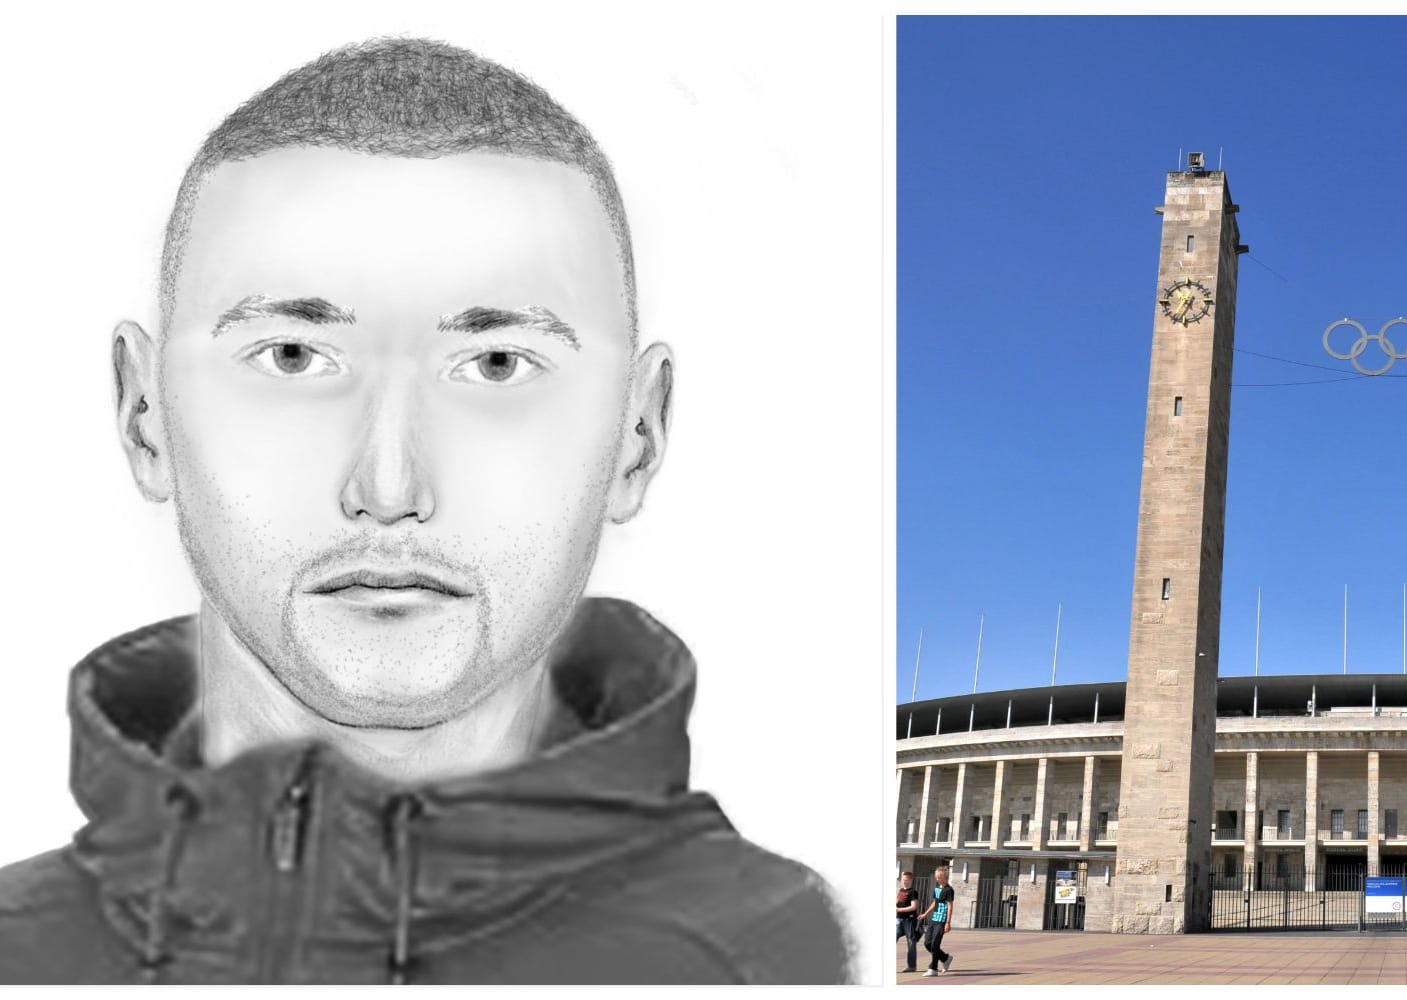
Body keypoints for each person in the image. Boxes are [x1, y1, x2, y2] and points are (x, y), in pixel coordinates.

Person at [0, 38, 851, 985]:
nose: (390, 486)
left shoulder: (784, 958)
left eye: (495, 366)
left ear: (636, 436)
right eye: (292, 357)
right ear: (144, 416)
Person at [920, 865, 957, 977]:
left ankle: (933, 969)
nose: (937, 879)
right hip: (933, 919)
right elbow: (934, 903)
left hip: (941, 920)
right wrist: (925, 914)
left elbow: (950, 906)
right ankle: (945, 958)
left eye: (939, 877)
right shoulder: (937, 889)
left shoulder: (949, 890)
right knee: (927, 944)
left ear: (944, 877)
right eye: (936, 877)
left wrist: (948, 922)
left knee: (935, 944)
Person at [895, 872, 923, 973]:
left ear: (911, 880)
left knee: (911, 942)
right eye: (903, 879)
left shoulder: (913, 892)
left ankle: (911, 966)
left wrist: (898, 910)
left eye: (906, 880)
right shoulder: (900, 890)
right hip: (898, 920)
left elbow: (914, 907)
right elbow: (897, 902)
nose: (904, 881)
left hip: (909, 921)